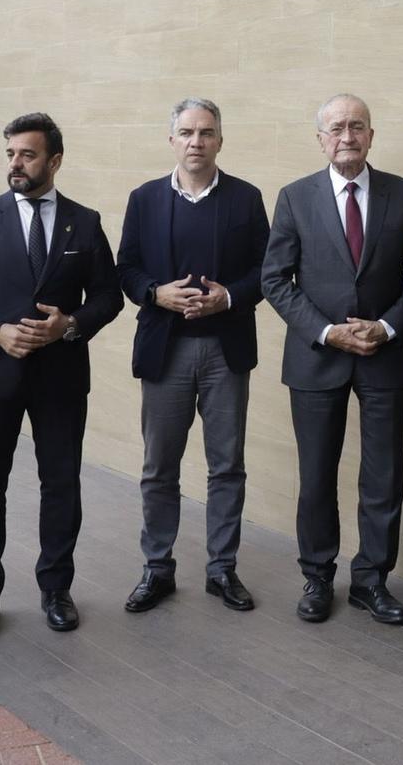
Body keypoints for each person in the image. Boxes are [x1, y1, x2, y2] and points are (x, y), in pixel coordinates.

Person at [0, 113, 121, 641]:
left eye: (28, 155)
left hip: (61, 376)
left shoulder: (84, 223)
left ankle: (56, 588)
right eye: (11, 154)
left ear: (54, 160)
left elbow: (108, 295)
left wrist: (71, 325)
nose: (16, 164)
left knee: (61, 483)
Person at [261, 94, 403, 625]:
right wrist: (328, 332)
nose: (347, 137)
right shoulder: (294, 197)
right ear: (321, 139)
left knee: (384, 474)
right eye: (336, 128)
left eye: (357, 127)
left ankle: (371, 581)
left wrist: (387, 325)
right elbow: (274, 280)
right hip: (317, 357)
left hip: (382, 352)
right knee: (316, 474)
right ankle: (317, 577)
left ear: (372, 135)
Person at [117, 98, 269, 615]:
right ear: (172, 140)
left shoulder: (247, 199)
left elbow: (265, 272)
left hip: (225, 350)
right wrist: (154, 293)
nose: (196, 142)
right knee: (160, 466)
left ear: (220, 140)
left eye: (206, 133)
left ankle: (222, 569)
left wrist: (228, 296)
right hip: (166, 351)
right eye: (187, 132)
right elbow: (127, 267)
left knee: (227, 466)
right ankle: (157, 568)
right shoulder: (145, 199)